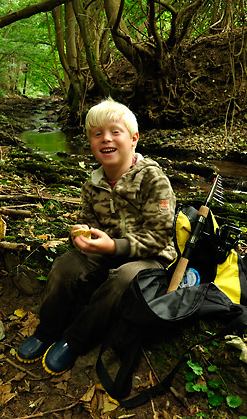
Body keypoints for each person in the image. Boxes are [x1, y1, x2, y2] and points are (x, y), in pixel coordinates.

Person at [16, 97, 177, 375]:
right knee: (65, 266)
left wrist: (115, 246)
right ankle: (47, 330)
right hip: (105, 253)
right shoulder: (93, 184)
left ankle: (75, 340)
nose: (106, 139)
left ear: (134, 138)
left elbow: (160, 236)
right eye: (97, 134)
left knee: (124, 279)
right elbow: (87, 224)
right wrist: (80, 235)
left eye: (115, 132)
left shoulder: (153, 179)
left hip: (151, 259)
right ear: (90, 142)